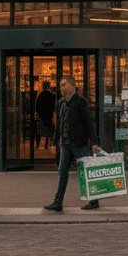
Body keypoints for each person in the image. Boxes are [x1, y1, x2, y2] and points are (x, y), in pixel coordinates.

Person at [44, 76, 100, 212]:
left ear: (72, 86)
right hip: (66, 144)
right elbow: (59, 124)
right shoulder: (61, 102)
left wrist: (94, 142)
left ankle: (94, 201)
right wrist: (54, 142)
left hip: (80, 144)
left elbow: (89, 123)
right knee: (62, 171)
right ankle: (58, 202)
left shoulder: (81, 101)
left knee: (84, 172)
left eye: (64, 85)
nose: (61, 88)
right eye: (60, 85)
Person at [35, 81, 56, 149]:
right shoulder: (52, 96)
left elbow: (37, 107)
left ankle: (38, 145)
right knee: (50, 130)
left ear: (43, 86)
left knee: (40, 131)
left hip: (42, 117)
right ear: (49, 86)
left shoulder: (40, 96)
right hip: (49, 117)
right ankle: (49, 143)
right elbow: (53, 107)